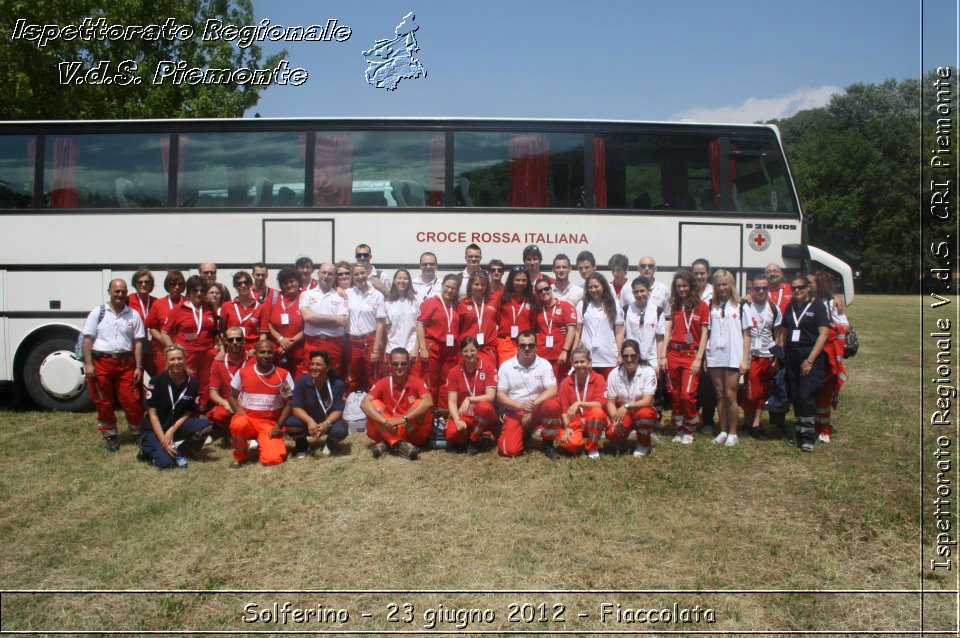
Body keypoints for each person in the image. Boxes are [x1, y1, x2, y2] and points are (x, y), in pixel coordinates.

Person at [81, 279, 145, 451]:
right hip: (102, 363)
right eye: (116, 291)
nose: (120, 294)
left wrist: (138, 366)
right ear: (109, 291)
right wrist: (89, 364)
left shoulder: (133, 315)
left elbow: (138, 342)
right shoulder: (98, 312)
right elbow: (87, 339)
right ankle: (110, 435)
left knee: (131, 400)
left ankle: (138, 433)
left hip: (126, 363)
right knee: (104, 401)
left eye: (123, 291)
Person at [141, 344, 212, 468]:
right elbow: (152, 415)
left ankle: (186, 449)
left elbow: (189, 411)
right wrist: (164, 441)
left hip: (176, 426)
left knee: (204, 425)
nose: (176, 362)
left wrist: (172, 430)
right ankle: (146, 450)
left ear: (185, 359)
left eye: (179, 358)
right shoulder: (156, 382)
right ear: (166, 361)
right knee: (166, 463)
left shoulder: (193, 383)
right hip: (155, 428)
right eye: (172, 359)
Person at [659, 270, 709, 444]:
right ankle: (680, 429)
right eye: (678, 286)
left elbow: (704, 334)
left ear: (691, 286)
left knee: (687, 394)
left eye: (685, 286)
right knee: (674, 393)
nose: (681, 289)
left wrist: (698, 358)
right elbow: (667, 331)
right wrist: (663, 355)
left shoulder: (702, 306)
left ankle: (690, 427)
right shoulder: (673, 305)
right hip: (673, 353)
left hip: (690, 354)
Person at [228, 340, 295, 467]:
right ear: (255, 353)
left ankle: (263, 444)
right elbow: (231, 396)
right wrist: (239, 412)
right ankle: (239, 456)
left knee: (273, 460)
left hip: (269, 424)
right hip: (248, 420)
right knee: (239, 423)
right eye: (262, 352)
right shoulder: (243, 373)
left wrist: (279, 425)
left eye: (269, 352)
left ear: (274, 355)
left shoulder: (282, 375)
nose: (266, 355)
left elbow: (289, 402)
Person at [496, 331, 563, 458]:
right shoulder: (506, 366)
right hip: (515, 411)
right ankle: (522, 433)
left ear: (536, 347)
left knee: (552, 405)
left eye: (531, 345)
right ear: (517, 346)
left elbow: (553, 389)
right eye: (523, 345)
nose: (527, 348)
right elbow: (500, 395)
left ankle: (548, 443)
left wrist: (531, 405)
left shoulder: (544, 364)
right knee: (509, 451)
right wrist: (521, 406)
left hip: (537, 410)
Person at [782, 275, 829, 453]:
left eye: (800, 287)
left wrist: (810, 360)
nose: (797, 291)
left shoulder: (818, 307)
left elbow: (823, 335)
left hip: (809, 355)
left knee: (806, 395)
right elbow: (784, 332)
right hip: (791, 353)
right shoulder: (790, 306)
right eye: (793, 288)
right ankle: (799, 433)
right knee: (795, 394)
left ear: (808, 287)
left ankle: (808, 437)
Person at [705, 270, 751, 447]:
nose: (722, 287)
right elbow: (707, 332)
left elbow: (747, 334)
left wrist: (745, 359)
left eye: (725, 284)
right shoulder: (711, 305)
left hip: (734, 355)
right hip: (715, 355)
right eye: (718, 285)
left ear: (731, 285)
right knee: (720, 394)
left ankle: (733, 432)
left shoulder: (741, 305)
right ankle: (723, 431)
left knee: (731, 395)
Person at [361, 348, 434, 460]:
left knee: (419, 403)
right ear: (390, 365)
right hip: (389, 427)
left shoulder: (416, 382)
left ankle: (388, 443)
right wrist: (385, 422)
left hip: (409, 430)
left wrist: (403, 419)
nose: (399, 367)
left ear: (409, 364)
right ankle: (398, 443)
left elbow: (429, 402)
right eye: (395, 364)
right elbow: (364, 404)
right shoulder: (383, 383)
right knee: (374, 403)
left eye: (403, 363)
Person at [161, 275, 219, 407]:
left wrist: (217, 347)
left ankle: (202, 412)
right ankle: (184, 410)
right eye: (195, 290)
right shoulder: (178, 309)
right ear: (189, 291)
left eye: (202, 291)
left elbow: (215, 331)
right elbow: (165, 333)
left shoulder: (210, 308)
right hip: (186, 354)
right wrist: (174, 351)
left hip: (206, 354)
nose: (199, 293)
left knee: (205, 383)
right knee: (186, 382)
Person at [741, 275, 784, 439]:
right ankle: (746, 421)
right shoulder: (745, 306)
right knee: (750, 392)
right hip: (751, 356)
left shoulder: (774, 308)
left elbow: (778, 333)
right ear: (752, 290)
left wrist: (776, 357)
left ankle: (756, 424)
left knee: (763, 392)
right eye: (757, 288)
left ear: (768, 290)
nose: (760, 291)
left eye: (764, 288)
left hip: (767, 355)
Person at [284, 350, 348, 458]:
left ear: (327, 368)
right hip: (308, 424)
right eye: (312, 364)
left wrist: (326, 423)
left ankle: (329, 445)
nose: (314, 367)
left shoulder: (338, 384)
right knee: (291, 423)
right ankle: (302, 447)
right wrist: (310, 421)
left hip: (328, 423)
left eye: (318, 364)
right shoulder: (302, 382)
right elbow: (296, 408)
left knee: (341, 429)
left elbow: (338, 410)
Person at [810, 271, 849, 444]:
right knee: (810, 392)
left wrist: (826, 331)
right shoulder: (807, 302)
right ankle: (810, 425)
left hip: (826, 357)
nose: (807, 286)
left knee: (824, 393)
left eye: (810, 283)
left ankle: (823, 428)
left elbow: (844, 327)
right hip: (810, 353)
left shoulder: (832, 304)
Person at [444, 337, 498, 454]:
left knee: (484, 407)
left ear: (478, 350)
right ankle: (478, 434)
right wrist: (457, 419)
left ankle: (473, 440)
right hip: (465, 415)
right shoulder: (454, 372)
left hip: (485, 414)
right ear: (460, 353)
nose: (469, 354)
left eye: (472, 350)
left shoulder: (488, 367)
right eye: (465, 351)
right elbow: (452, 401)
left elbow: (490, 396)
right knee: (451, 434)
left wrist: (469, 399)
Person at [606, 339, 658, 457]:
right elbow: (610, 402)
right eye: (625, 356)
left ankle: (643, 443)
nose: (629, 359)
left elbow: (647, 400)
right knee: (611, 434)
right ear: (621, 357)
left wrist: (627, 406)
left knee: (644, 415)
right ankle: (628, 435)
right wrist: (615, 420)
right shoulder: (614, 374)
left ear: (638, 356)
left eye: (633, 356)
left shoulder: (648, 371)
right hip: (624, 414)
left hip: (642, 410)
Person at [416, 274, 461, 406]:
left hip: (451, 350)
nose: (450, 290)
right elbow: (420, 325)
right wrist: (423, 348)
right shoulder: (431, 302)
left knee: (447, 383)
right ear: (442, 286)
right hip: (433, 346)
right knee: (430, 381)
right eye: (447, 286)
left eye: (453, 288)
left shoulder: (457, 305)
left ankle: (442, 415)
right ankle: (427, 414)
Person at [557, 345, 609, 458]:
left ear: (589, 362)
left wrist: (579, 403)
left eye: (582, 361)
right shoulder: (566, 382)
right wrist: (568, 427)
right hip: (575, 422)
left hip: (591, 419)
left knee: (598, 412)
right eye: (576, 362)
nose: (579, 365)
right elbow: (564, 411)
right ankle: (578, 441)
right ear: (572, 363)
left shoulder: (598, 378)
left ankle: (592, 446)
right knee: (571, 445)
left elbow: (601, 403)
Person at [299, 262, 349, 375]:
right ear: (318, 273)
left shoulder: (342, 296)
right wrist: (334, 318)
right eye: (324, 273)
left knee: (333, 376)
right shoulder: (307, 294)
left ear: (335, 276)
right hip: (312, 342)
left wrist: (315, 319)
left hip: (334, 343)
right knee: (311, 376)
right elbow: (307, 317)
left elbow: (341, 322)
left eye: (330, 274)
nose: (326, 276)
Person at [345, 262, 387, 394]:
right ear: (352, 277)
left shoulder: (377, 295)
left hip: (369, 341)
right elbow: (336, 291)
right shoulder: (348, 293)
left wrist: (375, 348)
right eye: (356, 274)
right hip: (352, 341)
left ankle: (374, 409)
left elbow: (380, 322)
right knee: (352, 378)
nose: (360, 276)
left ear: (367, 274)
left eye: (362, 273)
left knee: (373, 377)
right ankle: (352, 410)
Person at [575, 272, 624, 378]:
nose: (593, 290)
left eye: (596, 286)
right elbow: (577, 332)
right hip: (587, 358)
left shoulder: (614, 305)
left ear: (604, 286)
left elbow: (619, 333)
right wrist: (574, 353)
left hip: (609, 358)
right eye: (590, 287)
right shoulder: (582, 305)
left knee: (608, 392)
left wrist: (620, 354)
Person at [206, 326, 252, 433]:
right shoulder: (218, 363)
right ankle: (231, 430)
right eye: (231, 340)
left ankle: (245, 429)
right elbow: (213, 394)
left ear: (244, 340)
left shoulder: (252, 360)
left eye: (238, 339)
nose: (235, 342)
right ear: (226, 342)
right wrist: (226, 403)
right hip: (228, 404)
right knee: (218, 415)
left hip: (249, 403)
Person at [262, 268, 306, 376]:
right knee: (280, 384)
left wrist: (290, 342)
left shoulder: (306, 296)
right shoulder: (274, 297)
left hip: (300, 352)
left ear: (298, 281)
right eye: (285, 283)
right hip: (278, 351)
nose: (289, 285)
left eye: (292, 281)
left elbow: (310, 325)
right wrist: (281, 339)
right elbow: (266, 322)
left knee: (298, 385)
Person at [532, 279, 577, 379]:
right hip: (541, 356)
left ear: (551, 288)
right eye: (540, 291)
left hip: (560, 356)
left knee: (559, 387)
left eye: (546, 289)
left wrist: (565, 351)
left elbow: (572, 330)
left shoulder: (566, 306)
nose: (544, 292)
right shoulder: (538, 309)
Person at [145, 270, 186, 376]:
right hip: (163, 351)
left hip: (185, 351)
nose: (176, 287)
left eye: (180, 284)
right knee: (165, 380)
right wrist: (163, 340)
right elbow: (151, 327)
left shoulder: (188, 303)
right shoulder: (158, 304)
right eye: (173, 284)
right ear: (167, 285)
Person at [691, 258, 716, 434]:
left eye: (702, 273)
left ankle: (708, 420)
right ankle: (694, 417)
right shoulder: (689, 292)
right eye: (696, 273)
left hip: (711, 344)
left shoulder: (715, 292)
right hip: (692, 344)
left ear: (708, 273)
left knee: (708, 386)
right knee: (694, 385)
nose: (699, 276)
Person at [384, 268, 421, 376]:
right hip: (392, 349)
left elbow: (419, 326)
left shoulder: (416, 300)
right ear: (394, 281)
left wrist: (415, 349)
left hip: (411, 349)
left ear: (409, 282)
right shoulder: (388, 303)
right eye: (399, 278)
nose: (402, 281)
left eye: (405, 278)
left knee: (412, 382)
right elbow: (386, 329)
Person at [457, 272, 499, 367]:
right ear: (470, 285)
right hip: (468, 349)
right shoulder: (462, 303)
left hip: (488, 348)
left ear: (487, 286)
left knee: (487, 377)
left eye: (483, 284)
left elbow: (499, 320)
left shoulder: (494, 301)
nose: (479, 287)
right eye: (476, 284)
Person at [623, 276, 665, 369]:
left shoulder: (658, 311)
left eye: (642, 291)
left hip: (650, 361)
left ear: (648, 290)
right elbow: (621, 336)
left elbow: (659, 339)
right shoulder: (626, 310)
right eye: (636, 292)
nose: (639, 294)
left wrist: (659, 362)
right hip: (631, 361)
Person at [496, 266, 535, 363]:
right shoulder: (500, 297)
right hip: (506, 343)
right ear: (511, 281)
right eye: (517, 280)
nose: (520, 283)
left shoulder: (532, 299)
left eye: (523, 280)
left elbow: (533, 322)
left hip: (525, 344)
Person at [221, 271, 264, 353]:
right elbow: (223, 333)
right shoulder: (226, 306)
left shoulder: (260, 307)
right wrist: (222, 349)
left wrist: (256, 349)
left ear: (251, 284)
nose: (243, 285)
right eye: (239, 283)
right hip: (233, 348)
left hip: (252, 350)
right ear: (235, 286)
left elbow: (263, 334)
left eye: (246, 282)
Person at [127, 267, 157, 376]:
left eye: (147, 282)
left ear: (151, 284)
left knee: (158, 378)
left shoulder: (156, 302)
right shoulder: (128, 300)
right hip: (134, 347)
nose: (143, 284)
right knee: (135, 379)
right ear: (135, 284)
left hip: (152, 348)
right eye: (140, 282)